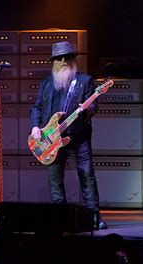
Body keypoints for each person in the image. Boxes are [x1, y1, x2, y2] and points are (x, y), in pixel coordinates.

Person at [30, 41, 107, 230]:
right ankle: (60, 217)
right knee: (55, 178)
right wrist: (35, 127)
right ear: (53, 62)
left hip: (78, 136)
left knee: (86, 175)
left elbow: (94, 105)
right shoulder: (46, 84)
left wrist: (87, 109)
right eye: (59, 58)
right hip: (52, 139)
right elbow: (37, 106)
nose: (64, 61)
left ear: (73, 59)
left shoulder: (84, 81)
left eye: (67, 57)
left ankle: (93, 217)